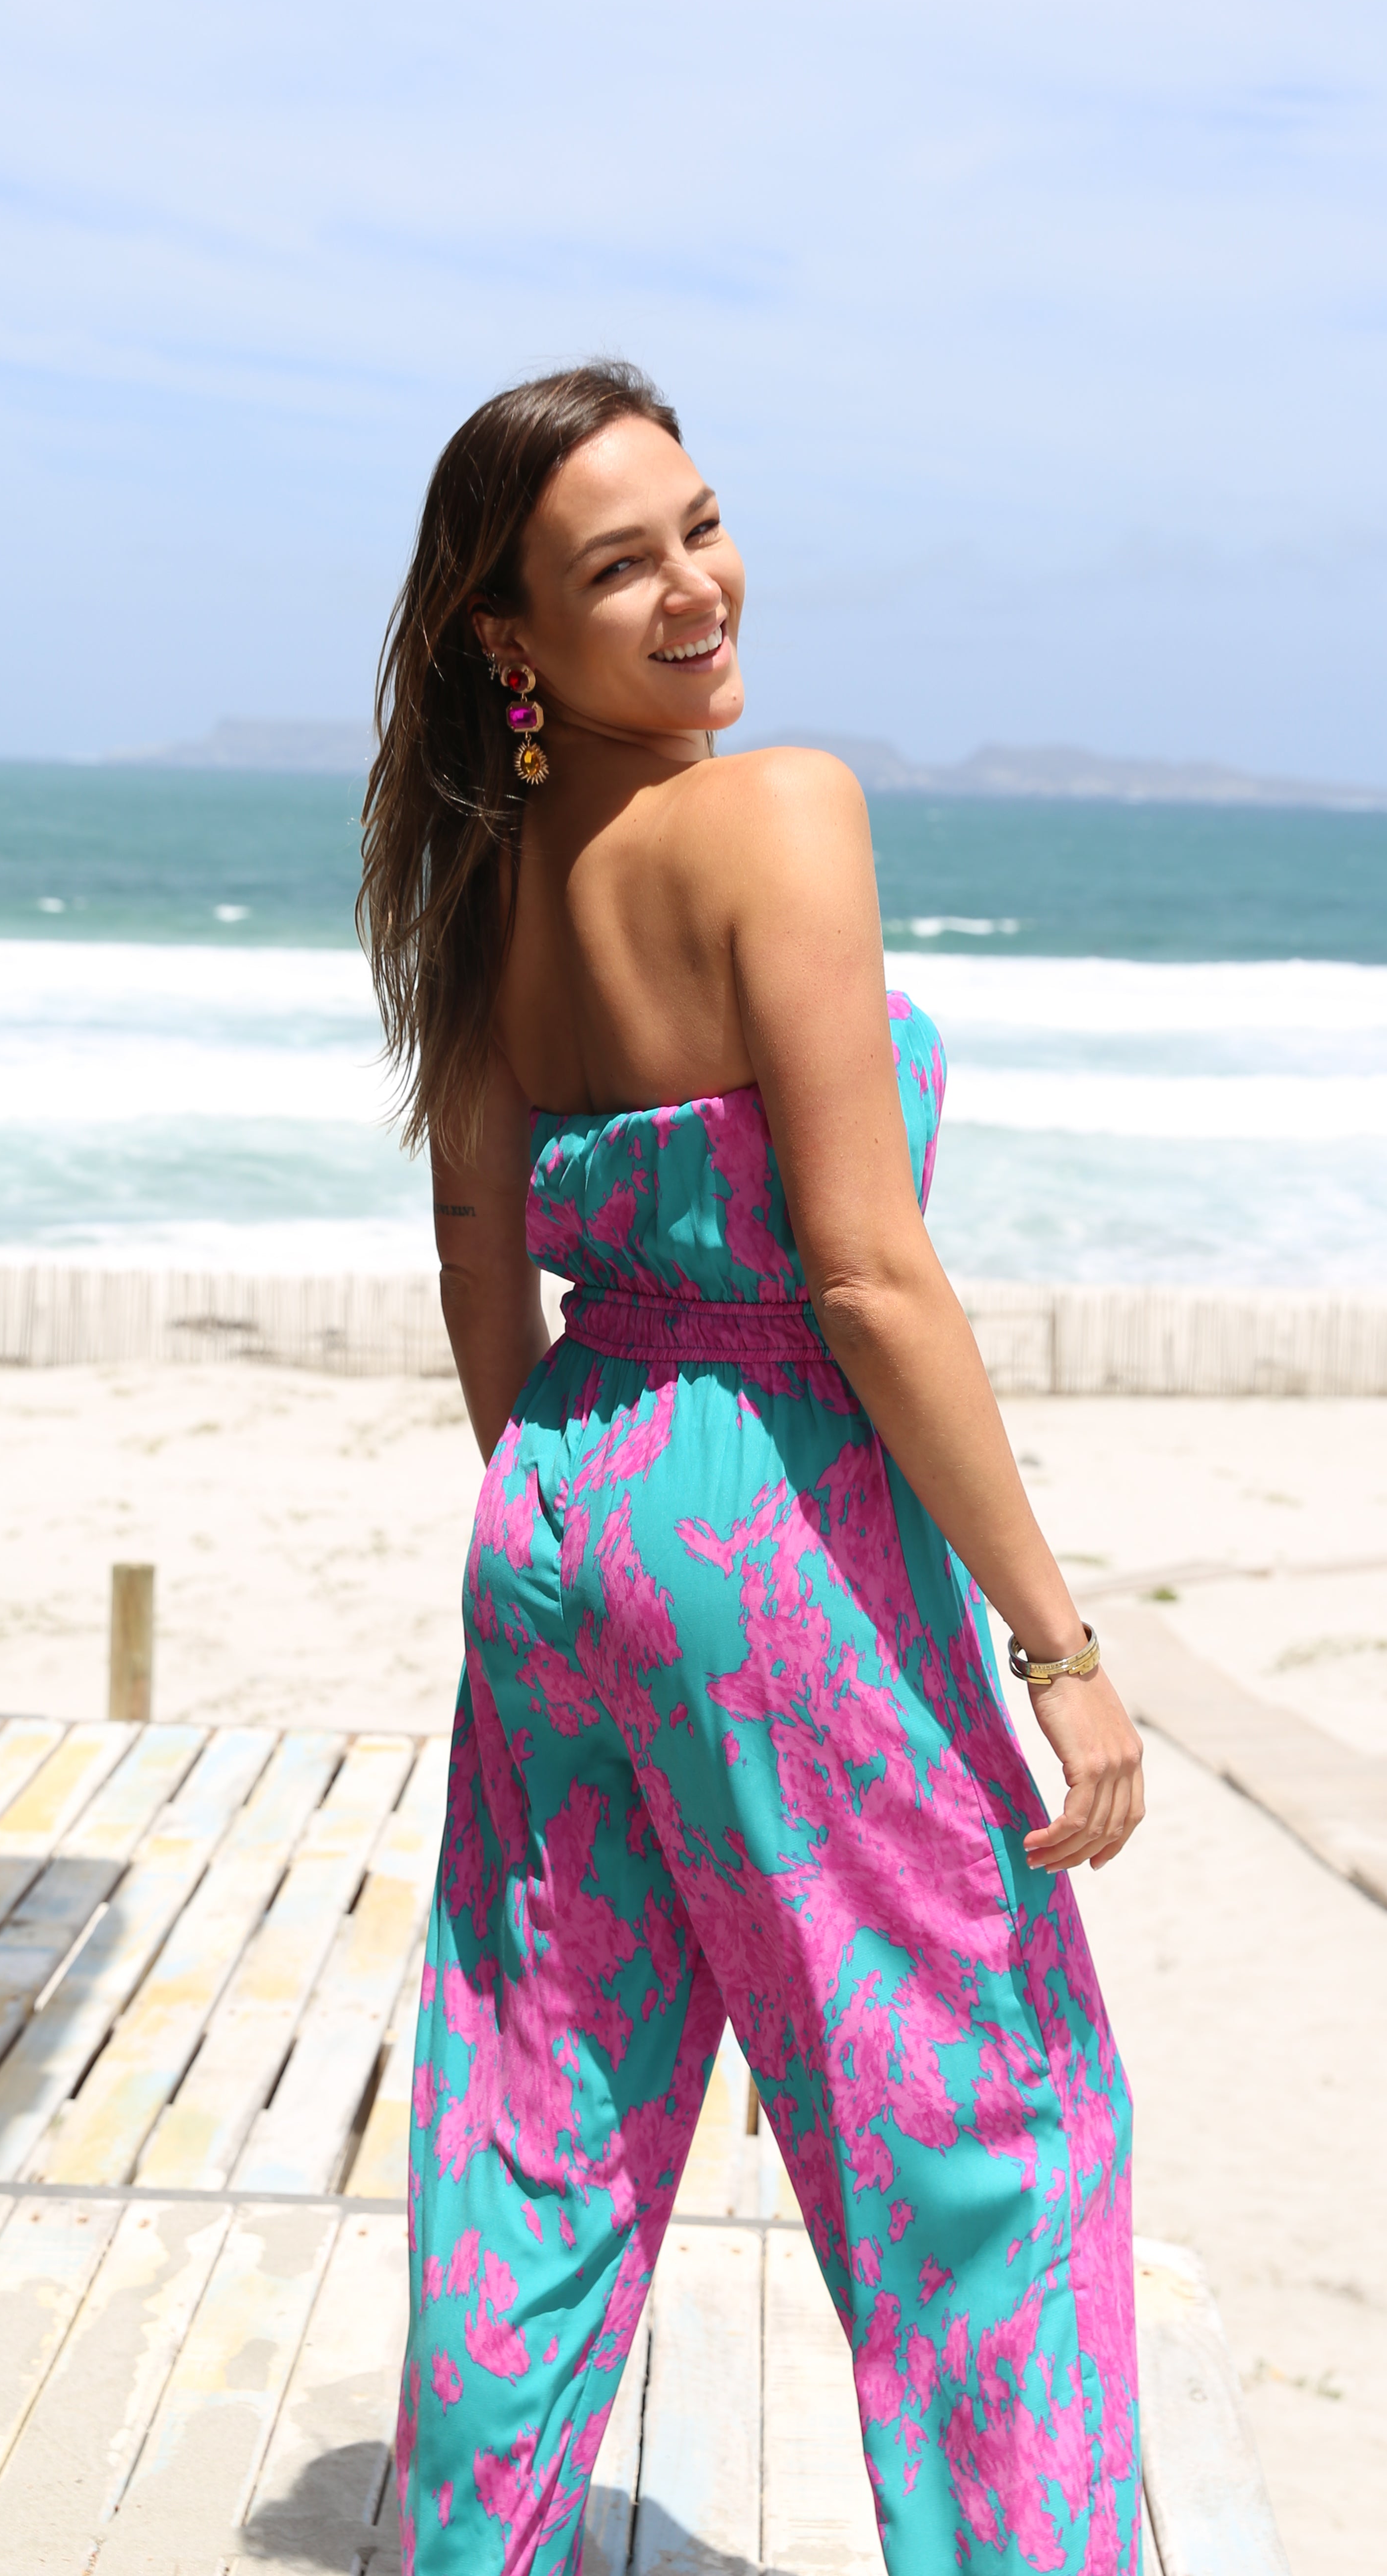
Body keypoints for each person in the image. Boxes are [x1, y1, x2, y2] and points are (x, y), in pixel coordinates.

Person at [358, 360, 1146, 2576]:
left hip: (564, 1491)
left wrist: (574, 1511)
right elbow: (868, 1275)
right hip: (772, 1510)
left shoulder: (493, 885)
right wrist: (1059, 1647)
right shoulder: (781, 811)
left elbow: (475, 1249)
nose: (696, 587)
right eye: (620, 567)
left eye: (699, 525)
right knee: (984, 2125)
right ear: (513, 637)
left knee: (540, 2105)